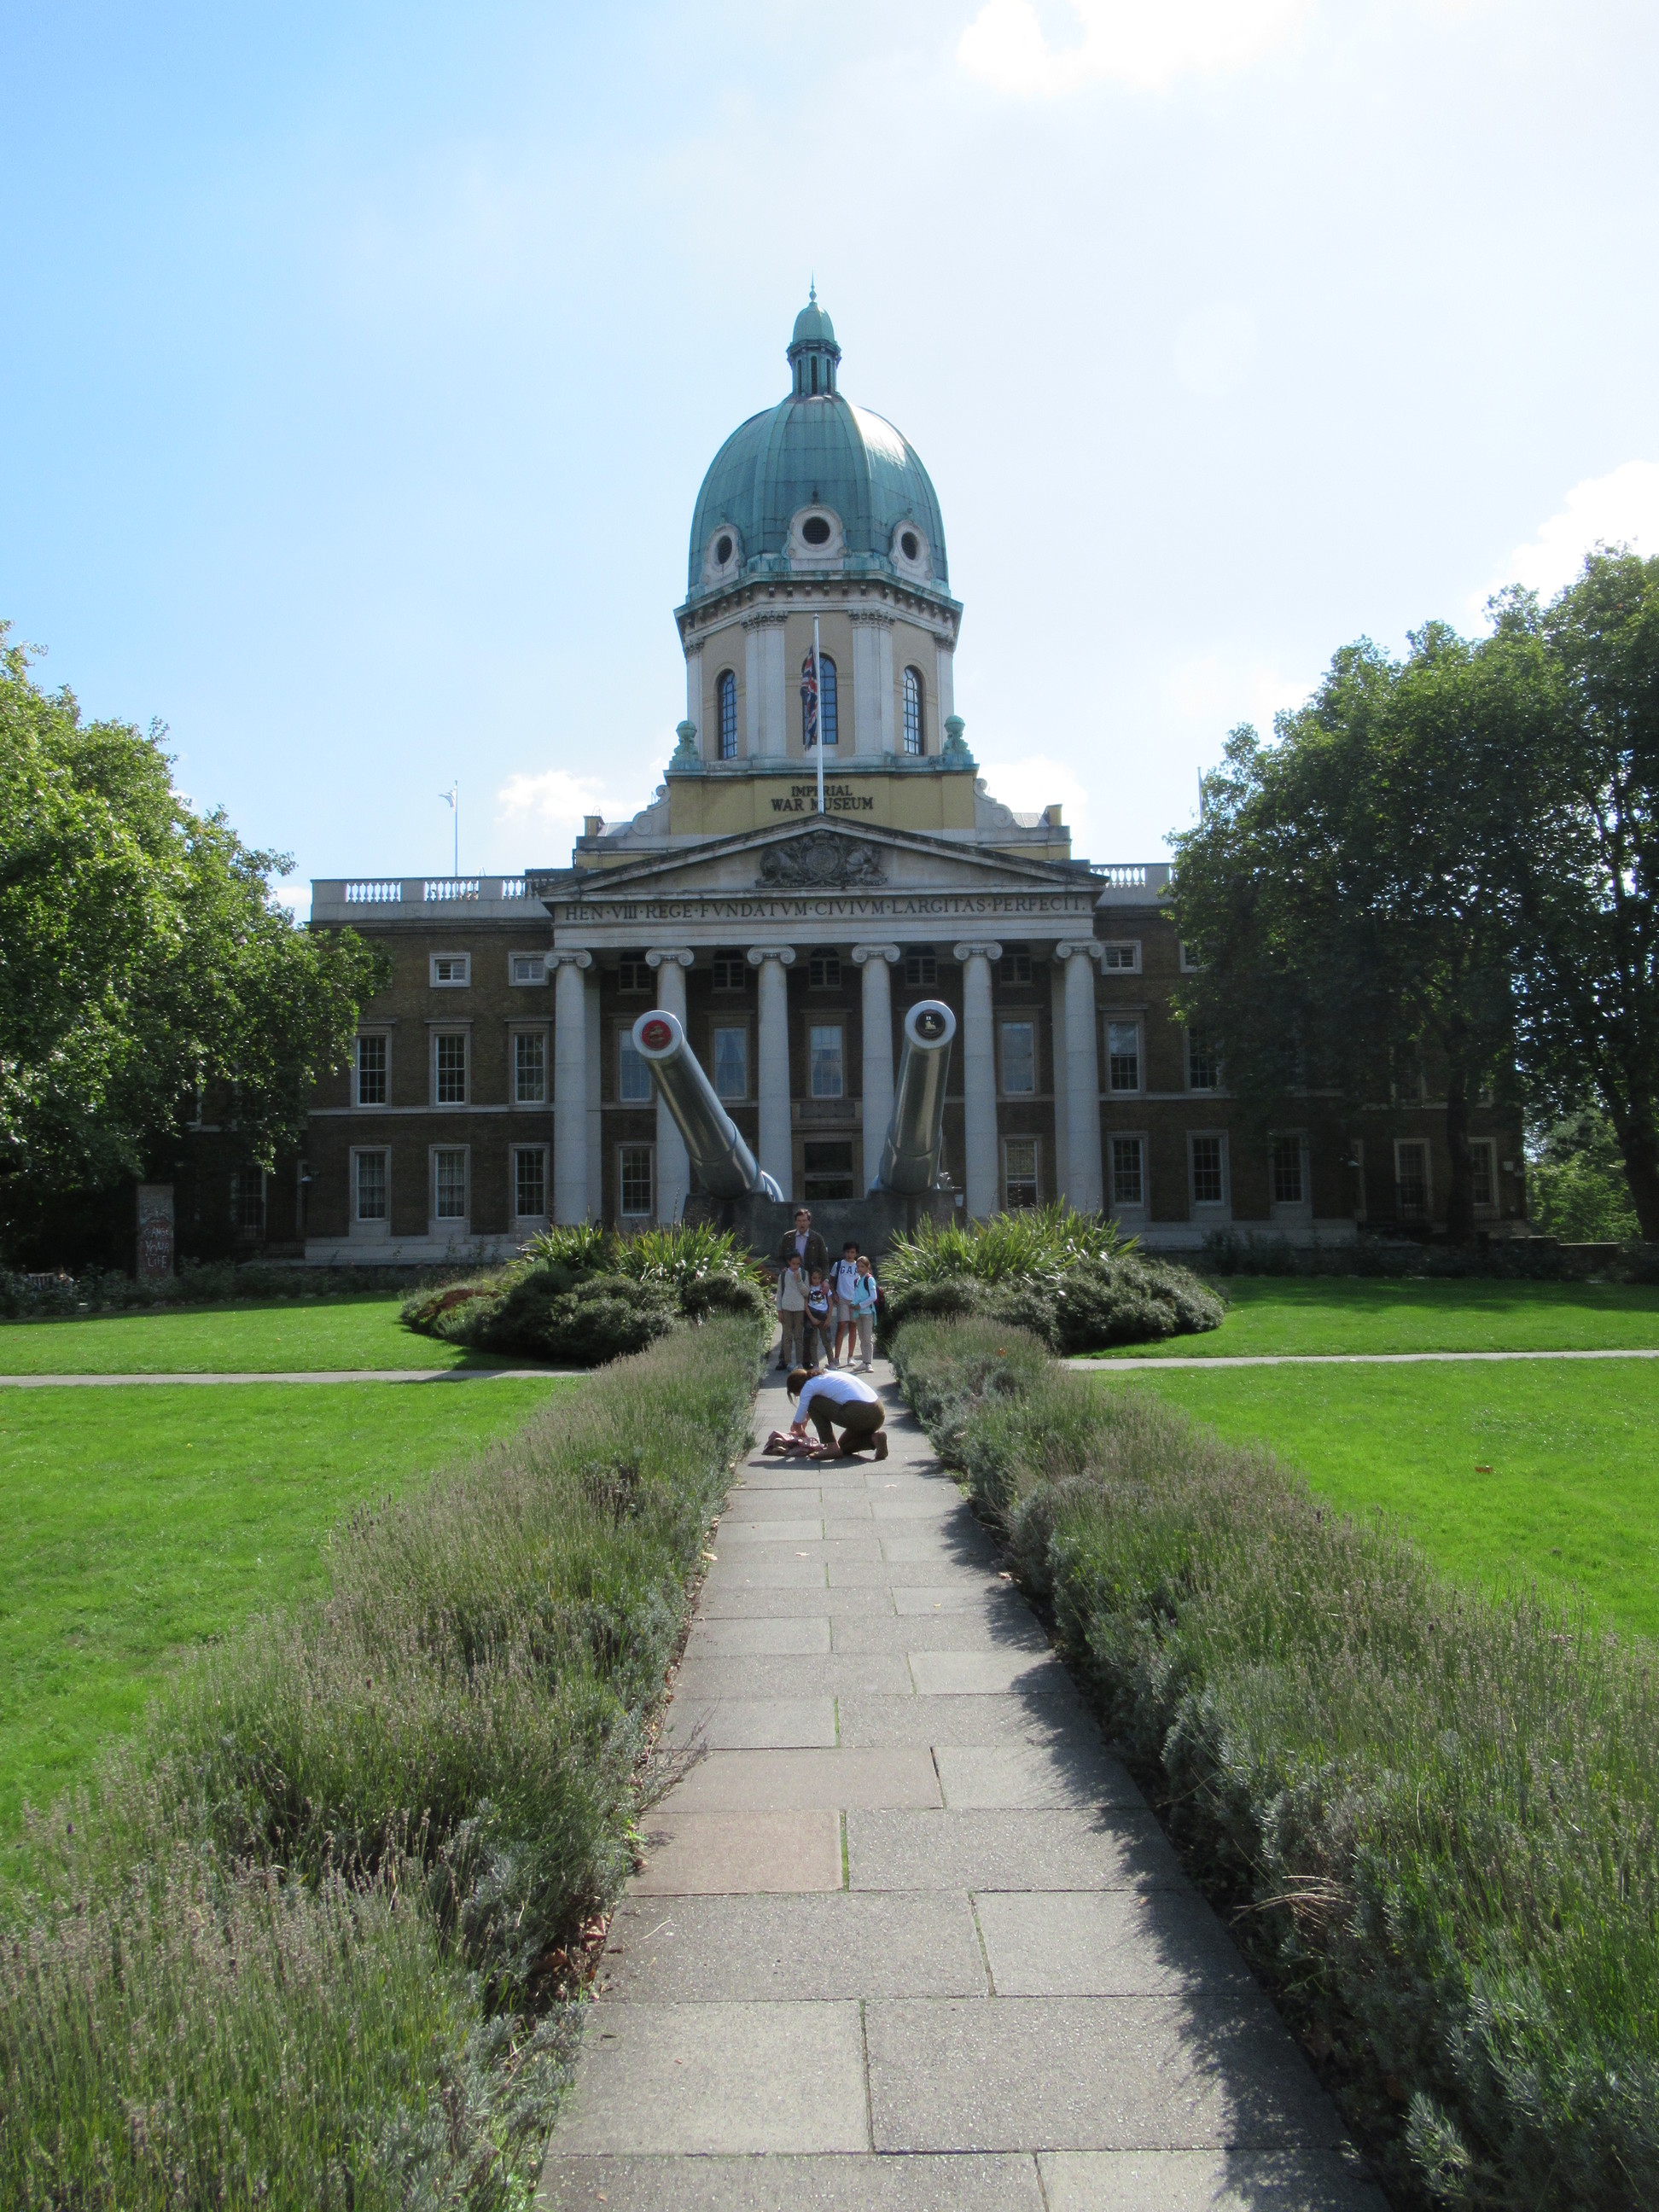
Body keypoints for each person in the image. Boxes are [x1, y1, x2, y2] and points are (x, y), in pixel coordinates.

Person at [781, 1364, 888, 1459]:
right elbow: (827, 1404)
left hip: (860, 1412)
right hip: (878, 1413)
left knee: (813, 1402)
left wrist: (802, 1436)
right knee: (843, 1447)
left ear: (798, 1389)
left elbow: (797, 1424)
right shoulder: (826, 1374)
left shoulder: (808, 1387)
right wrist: (807, 1418)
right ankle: (875, 1439)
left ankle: (831, 1446)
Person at [775, 1251, 806, 1371]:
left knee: (799, 1336)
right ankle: (788, 1362)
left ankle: (799, 1362)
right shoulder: (783, 1275)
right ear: (789, 1263)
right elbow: (779, 1294)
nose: (795, 1266)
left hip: (800, 1309)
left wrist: (799, 1281)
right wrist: (779, 1311)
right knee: (787, 1336)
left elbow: (806, 1292)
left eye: (798, 1264)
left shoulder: (804, 1274)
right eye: (793, 1264)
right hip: (786, 1308)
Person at [831, 1239, 860, 1368]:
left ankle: (850, 1356)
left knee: (853, 1326)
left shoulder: (859, 1266)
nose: (850, 1254)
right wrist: (834, 1293)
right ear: (844, 1252)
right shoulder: (838, 1265)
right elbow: (831, 1280)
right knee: (841, 1325)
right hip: (842, 1298)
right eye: (848, 1252)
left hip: (855, 1300)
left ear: (856, 1253)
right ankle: (836, 1357)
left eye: (852, 1252)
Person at [777, 1206, 828, 1278]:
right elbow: (780, 1257)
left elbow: (824, 1261)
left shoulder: (817, 1238)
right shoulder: (787, 1237)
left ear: (809, 1222)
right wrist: (783, 1268)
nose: (802, 1223)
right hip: (791, 1276)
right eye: (799, 1221)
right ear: (795, 1222)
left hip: (811, 1277)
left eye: (804, 1221)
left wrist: (825, 1279)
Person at [848, 1251, 879, 1371]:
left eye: (862, 1266)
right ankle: (864, 1362)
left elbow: (873, 1297)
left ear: (867, 1267)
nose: (859, 1269)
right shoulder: (857, 1280)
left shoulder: (869, 1279)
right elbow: (857, 1295)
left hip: (867, 1313)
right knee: (862, 1338)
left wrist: (860, 1305)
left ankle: (868, 1363)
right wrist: (854, 1304)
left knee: (867, 1338)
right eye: (858, 1266)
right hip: (859, 1313)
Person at [804, 1267, 832, 1368]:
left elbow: (830, 1303)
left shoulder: (824, 1288)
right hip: (813, 1316)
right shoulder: (808, 1289)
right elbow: (805, 1305)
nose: (817, 1280)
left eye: (819, 1278)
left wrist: (829, 1318)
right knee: (813, 1342)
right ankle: (815, 1363)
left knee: (827, 1340)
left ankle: (831, 1362)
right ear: (810, 1278)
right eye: (814, 1278)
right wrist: (811, 1318)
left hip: (824, 1316)